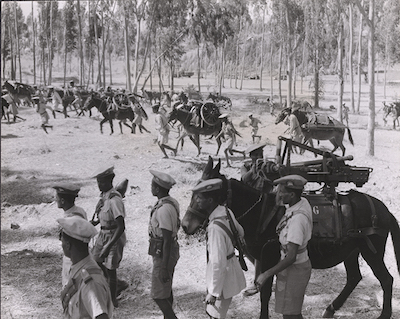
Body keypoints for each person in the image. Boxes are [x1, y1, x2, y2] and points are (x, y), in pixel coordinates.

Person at [256, 175, 313, 319]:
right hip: (295, 268)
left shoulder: (296, 221)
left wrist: (266, 274)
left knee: (290, 315)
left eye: (282, 191)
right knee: (290, 313)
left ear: (292, 195)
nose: (278, 194)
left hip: (294, 270)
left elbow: (291, 257)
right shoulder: (301, 202)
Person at [192, 179, 246, 319]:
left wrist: (213, 292)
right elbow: (240, 232)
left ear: (210, 200)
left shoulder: (215, 228)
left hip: (222, 279)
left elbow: (217, 263)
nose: (197, 200)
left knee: (214, 315)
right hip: (230, 269)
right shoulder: (226, 212)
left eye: (200, 198)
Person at [58, 216, 113, 319]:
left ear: (68, 245)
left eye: (62, 241)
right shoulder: (79, 267)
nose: (62, 245)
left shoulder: (91, 282)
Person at [91, 166, 127, 308]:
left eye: (101, 182)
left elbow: (120, 226)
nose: (99, 185)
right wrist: (95, 222)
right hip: (103, 233)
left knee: (111, 269)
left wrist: (109, 245)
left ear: (109, 181)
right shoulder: (104, 197)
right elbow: (106, 215)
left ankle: (113, 300)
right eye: (98, 182)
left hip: (114, 236)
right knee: (95, 261)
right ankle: (117, 284)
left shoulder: (114, 199)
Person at [148, 170, 181, 319]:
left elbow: (166, 240)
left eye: (152, 185)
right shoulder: (170, 202)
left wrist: (163, 267)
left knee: (158, 295)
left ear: (157, 189)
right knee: (165, 289)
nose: (151, 188)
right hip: (163, 249)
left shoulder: (163, 210)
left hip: (164, 251)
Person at [53, 183, 88, 288]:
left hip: (72, 259)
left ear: (63, 201)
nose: (56, 200)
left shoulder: (69, 220)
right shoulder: (80, 211)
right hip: (80, 257)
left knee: (70, 287)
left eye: (57, 198)